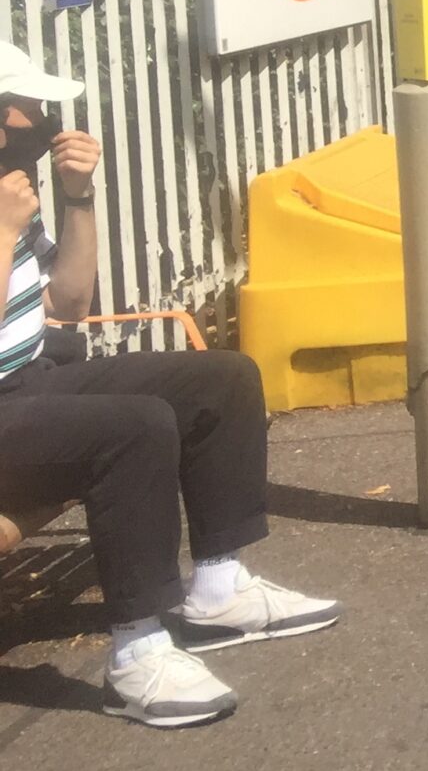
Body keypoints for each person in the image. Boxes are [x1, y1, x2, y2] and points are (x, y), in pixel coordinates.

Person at [0, 41, 341, 728]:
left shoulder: (16, 193)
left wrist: (77, 198)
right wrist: (3, 233)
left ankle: (218, 588)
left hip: (29, 385)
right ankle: (137, 654)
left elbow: (67, 303)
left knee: (220, 379)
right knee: (135, 426)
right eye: (27, 107)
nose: (42, 120)